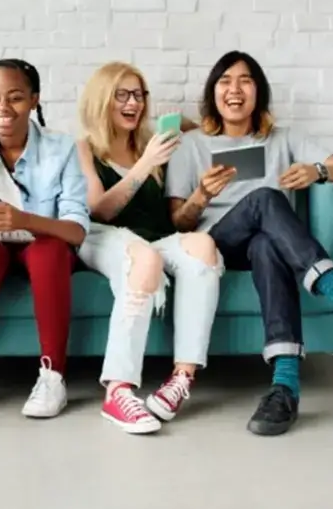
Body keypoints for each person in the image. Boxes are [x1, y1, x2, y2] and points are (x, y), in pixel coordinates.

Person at [165, 50, 333, 437]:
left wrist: (319, 170)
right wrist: (201, 196)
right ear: (212, 92)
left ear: (258, 92)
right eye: (225, 81)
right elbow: (178, 221)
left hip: (266, 249)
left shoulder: (284, 139)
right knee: (265, 198)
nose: (234, 89)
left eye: (245, 80)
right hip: (213, 247)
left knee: (266, 243)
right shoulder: (190, 145)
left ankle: (285, 389)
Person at [75, 61, 224, 434]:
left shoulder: (151, 139)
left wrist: (183, 126)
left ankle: (182, 378)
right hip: (103, 236)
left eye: (139, 95)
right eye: (122, 95)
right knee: (144, 258)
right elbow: (99, 209)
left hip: (156, 238)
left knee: (204, 246)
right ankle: (118, 390)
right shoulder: (85, 147)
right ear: (102, 100)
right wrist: (144, 165)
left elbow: (200, 126)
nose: (133, 103)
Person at [0, 59, 90, 420]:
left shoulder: (61, 148)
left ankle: (53, 376)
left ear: (35, 100)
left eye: (15, 98)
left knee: (49, 252)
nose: (3, 109)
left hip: (42, 246)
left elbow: (75, 229)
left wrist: (23, 220)